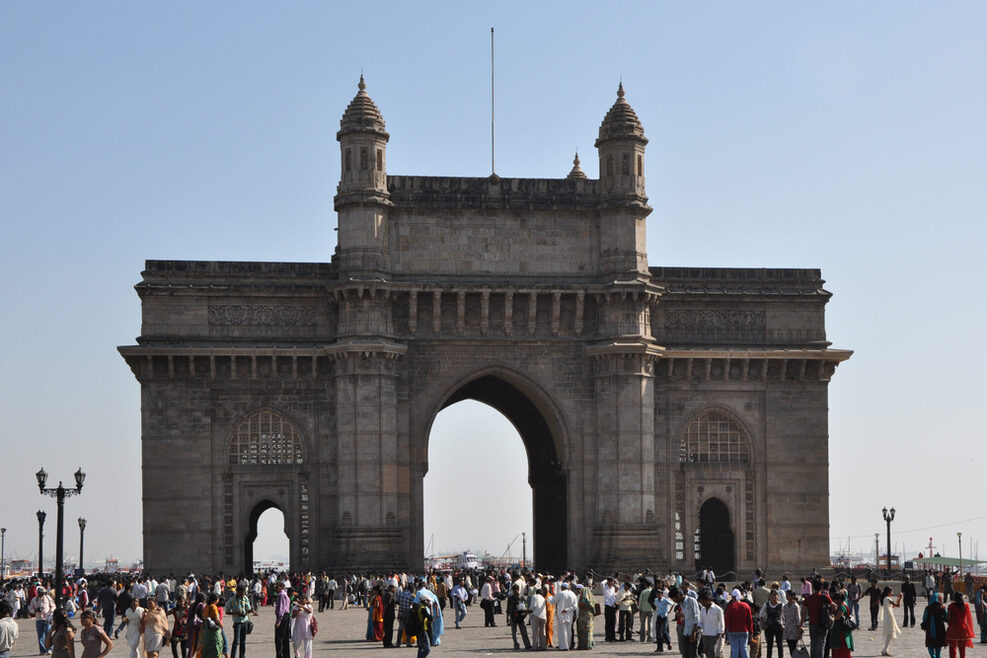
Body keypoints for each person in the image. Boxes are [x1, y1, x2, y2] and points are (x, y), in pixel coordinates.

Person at [802, 578, 834, 658]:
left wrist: (800, 625)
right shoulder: (825, 597)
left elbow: (804, 613)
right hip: (823, 624)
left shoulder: (808, 598)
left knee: (813, 644)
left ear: (813, 587)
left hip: (812, 623)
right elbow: (834, 606)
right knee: (821, 645)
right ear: (822, 587)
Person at [225, 585, 256, 658]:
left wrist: (249, 611)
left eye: (243, 593)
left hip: (244, 621)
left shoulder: (245, 598)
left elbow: (248, 609)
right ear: (237, 592)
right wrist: (235, 613)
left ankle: (242, 656)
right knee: (236, 641)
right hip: (237, 622)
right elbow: (227, 611)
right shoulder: (232, 600)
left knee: (243, 641)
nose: (242, 594)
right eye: (241, 593)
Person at [670, 586, 701, 658]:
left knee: (693, 654)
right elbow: (687, 616)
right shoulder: (681, 604)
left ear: (678, 595)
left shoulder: (691, 601)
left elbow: (697, 617)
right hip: (686, 631)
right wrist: (680, 615)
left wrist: (693, 632)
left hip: (694, 631)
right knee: (685, 654)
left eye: (673, 599)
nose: (674, 601)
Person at [945, 592, 975, 658]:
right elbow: (969, 618)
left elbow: (948, 617)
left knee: (952, 649)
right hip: (963, 629)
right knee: (962, 649)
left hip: (953, 629)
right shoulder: (966, 606)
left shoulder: (951, 606)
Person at [725, 589, 753, 658]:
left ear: (733, 597)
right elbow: (750, 620)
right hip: (744, 630)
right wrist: (751, 631)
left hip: (733, 631)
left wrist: (724, 630)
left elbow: (727, 620)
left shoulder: (730, 606)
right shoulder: (746, 606)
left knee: (735, 650)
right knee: (744, 648)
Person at [550, 582, 577, 651]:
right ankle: (569, 645)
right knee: (569, 631)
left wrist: (550, 596)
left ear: (562, 587)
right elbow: (575, 606)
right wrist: (568, 610)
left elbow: (552, 601)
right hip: (569, 615)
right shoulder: (573, 594)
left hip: (561, 615)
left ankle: (564, 646)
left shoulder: (560, 594)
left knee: (562, 631)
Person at [698, 589, 725, 658]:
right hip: (705, 634)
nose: (703, 603)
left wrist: (720, 633)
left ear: (709, 599)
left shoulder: (718, 610)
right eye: (701, 602)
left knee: (713, 652)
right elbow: (701, 621)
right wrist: (697, 628)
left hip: (714, 635)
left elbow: (722, 622)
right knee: (707, 652)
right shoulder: (703, 610)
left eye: (704, 601)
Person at [760, 588, 785, 658]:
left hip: (779, 627)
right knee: (769, 645)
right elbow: (761, 615)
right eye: (772, 595)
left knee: (780, 645)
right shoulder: (766, 604)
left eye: (775, 595)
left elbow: (784, 617)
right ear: (770, 596)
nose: (774, 596)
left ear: (778, 596)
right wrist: (763, 624)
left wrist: (783, 625)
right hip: (769, 627)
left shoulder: (781, 605)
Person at [923, 593, 948, 658]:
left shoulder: (928, 608)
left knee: (930, 646)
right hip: (940, 629)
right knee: (938, 648)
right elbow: (947, 618)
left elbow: (924, 618)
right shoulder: (943, 608)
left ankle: (933, 656)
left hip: (930, 629)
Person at [507, 584, 531, 650]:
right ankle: (516, 644)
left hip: (521, 616)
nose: (515, 591)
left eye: (516, 590)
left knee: (523, 631)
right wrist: (507, 617)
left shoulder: (522, 597)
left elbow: (526, 605)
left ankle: (527, 644)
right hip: (513, 616)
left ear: (518, 590)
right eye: (514, 590)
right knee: (514, 632)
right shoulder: (510, 598)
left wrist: (525, 612)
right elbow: (508, 607)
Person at [829, 593, 854, 658]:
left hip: (841, 632)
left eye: (834, 600)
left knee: (842, 650)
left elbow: (838, 617)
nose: (833, 602)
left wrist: (830, 616)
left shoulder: (841, 606)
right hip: (841, 631)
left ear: (838, 600)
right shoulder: (843, 605)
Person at [879, 587, 901, 656]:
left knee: (890, 633)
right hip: (889, 617)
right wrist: (900, 598)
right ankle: (884, 650)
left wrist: (898, 599)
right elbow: (897, 605)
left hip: (888, 617)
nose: (892, 592)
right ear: (888, 592)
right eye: (891, 591)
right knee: (890, 633)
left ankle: (885, 649)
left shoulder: (886, 599)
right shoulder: (887, 599)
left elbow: (894, 606)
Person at [291, 593, 314, 658]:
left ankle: (308, 656)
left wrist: (303, 607)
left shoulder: (309, 606)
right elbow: (293, 616)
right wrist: (298, 610)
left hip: (307, 627)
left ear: (306, 600)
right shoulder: (295, 607)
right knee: (297, 643)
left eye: (303, 599)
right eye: (300, 598)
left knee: (308, 644)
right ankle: (296, 654)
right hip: (298, 626)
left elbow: (310, 611)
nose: (301, 600)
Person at [782, 591, 802, 656]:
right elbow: (783, 618)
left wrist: (799, 629)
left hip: (794, 630)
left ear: (792, 596)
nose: (787, 597)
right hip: (788, 630)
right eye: (786, 595)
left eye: (788, 595)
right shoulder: (785, 606)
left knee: (794, 648)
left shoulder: (796, 606)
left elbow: (798, 618)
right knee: (790, 647)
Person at [273, 583, 291, 658]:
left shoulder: (281, 595)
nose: (276, 589)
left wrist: (279, 620)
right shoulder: (285, 594)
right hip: (286, 616)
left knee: (279, 638)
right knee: (285, 638)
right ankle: (286, 655)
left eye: (277, 587)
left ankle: (280, 655)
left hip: (282, 617)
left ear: (281, 587)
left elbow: (281, 609)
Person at [575, 583, 595, 650]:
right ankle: (588, 644)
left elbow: (581, 604)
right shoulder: (591, 599)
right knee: (588, 630)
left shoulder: (583, 599)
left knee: (583, 631)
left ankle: (583, 645)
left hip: (583, 617)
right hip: (589, 616)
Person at [529, 586, 548, 650]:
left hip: (536, 615)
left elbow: (533, 606)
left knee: (535, 632)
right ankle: (543, 645)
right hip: (543, 616)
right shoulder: (543, 598)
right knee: (542, 632)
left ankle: (535, 646)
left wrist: (529, 610)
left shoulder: (534, 596)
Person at [602, 578, 618, 642]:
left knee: (613, 622)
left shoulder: (613, 588)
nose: (612, 583)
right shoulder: (605, 588)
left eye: (613, 582)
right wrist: (606, 580)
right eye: (611, 581)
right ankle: (608, 637)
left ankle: (613, 637)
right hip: (607, 606)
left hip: (613, 606)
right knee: (608, 622)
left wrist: (615, 603)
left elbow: (613, 597)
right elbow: (601, 583)